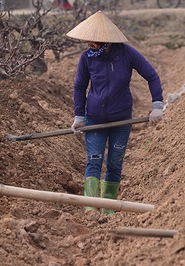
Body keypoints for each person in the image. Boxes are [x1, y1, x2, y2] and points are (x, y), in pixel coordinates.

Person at [66, 11, 164, 216]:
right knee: (94, 159)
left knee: (114, 162)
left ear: (105, 40)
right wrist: (79, 116)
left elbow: (152, 76)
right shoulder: (87, 59)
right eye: (88, 41)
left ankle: (109, 206)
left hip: (121, 119)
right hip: (95, 118)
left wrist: (157, 105)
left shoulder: (126, 54)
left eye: (93, 41)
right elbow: (79, 87)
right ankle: (91, 206)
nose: (89, 44)